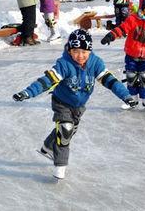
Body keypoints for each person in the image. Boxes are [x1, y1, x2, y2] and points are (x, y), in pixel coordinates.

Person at [12, 29, 137, 179]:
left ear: (90, 50)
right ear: (69, 50)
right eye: (76, 51)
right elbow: (46, 81)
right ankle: (60, 166)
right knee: (65, 129)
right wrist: (27, 93)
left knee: (68, 131)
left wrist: (126, 96)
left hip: (79, 106)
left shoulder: (95, 63)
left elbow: (111, 81)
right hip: (61, 102)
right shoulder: (64, 64)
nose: (80, 55)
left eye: (84, 51)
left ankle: (47, 147)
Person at [101, 0, 145, 110]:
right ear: (143, 9)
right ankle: (132, 98)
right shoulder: (133, 20)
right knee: (131, 77)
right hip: (131, 55)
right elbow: (122, 29)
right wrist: (111, 35)